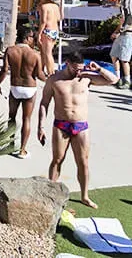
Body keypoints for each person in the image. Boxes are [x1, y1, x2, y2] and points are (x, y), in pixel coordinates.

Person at [38, 51, 118, 209]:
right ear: (67, 63)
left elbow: (114, 80)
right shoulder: (54, 79)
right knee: (57, 159)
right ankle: (50, 193)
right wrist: (40, 126)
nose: (78, 72)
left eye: (80, 68)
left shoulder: (86, 77)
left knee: (83, 163)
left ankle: (84, 196)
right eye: (76, 69)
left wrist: (98, 69)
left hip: (81, 126)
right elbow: (44, 102)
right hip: (61, 124)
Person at [0, 26, 44, 158]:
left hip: (15, 87)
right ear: (27, 38)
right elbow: (39, 75)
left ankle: (10, 145)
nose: (33, 40)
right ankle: (22, 150)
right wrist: (51, 80)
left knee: (11, 117)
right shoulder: (35, 55)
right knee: (26, 119)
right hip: (30, 88)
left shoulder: (10, 50)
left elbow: (5, 69)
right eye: (32, 38)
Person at [36, 0, 62, 78]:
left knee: (47, 53)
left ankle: (51, 73)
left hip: (47, 30)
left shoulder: (44, 6)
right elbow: (59, 18)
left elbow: (43, 22)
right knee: (44, 52)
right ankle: (42, 70)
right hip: (55, 30)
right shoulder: (55, 5)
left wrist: (39, 34)